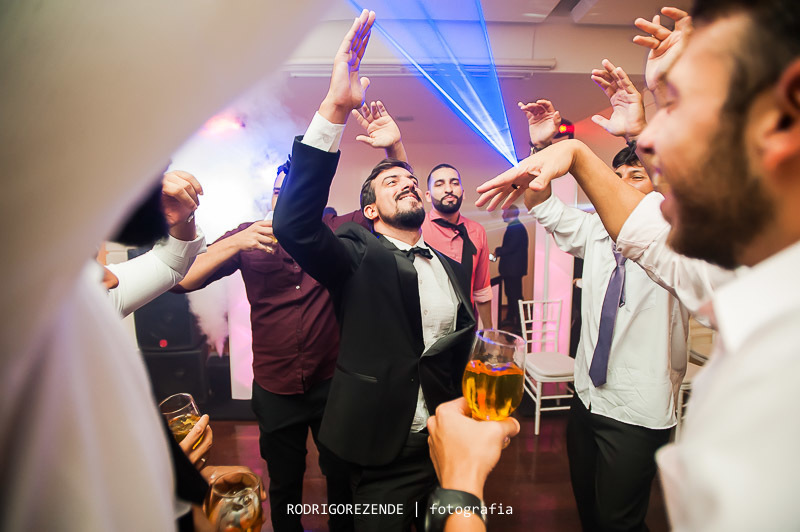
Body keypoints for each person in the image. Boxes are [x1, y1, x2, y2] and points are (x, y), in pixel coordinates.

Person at [476, 2, 800, 528]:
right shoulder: (752, 288)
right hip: (588, 394)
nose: (647, 141)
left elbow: (658, 235)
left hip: (640, 405)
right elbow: (645, 232)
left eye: (683, 103)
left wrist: (462, 496)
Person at [272, 10, 476, 531]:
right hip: (375, 453)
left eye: (411, 183)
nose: (407, 185)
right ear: (368, 212)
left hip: (445, 444)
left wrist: (396, 158)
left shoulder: (448, 262)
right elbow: (295, 226)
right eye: (391, 186)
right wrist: (336, 108)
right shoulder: (357, 250)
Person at [521, 94, 690, 531]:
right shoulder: (596, 229)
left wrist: (640, 134)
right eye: (616, 177)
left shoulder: (679, 237)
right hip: (587, 397)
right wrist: (542, 149)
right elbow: (540, 203)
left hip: (638, 410)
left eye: (637, 176)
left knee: (622, 522)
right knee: (591, 513)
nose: (621, 185)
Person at [175, 159, 361, 532]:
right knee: (285, 484)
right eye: (280, 191)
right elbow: (184, 279)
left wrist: (392, 146)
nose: (288, 199)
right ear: (271, 197)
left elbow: (388, 209)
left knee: (342, 479)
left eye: (298, 192)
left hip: (331, 385)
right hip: (276, 389)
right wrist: (236, 241)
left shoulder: (335, 229)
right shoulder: (247, 235)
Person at [420, 164, 493, 328]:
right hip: (426, 328)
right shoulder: (416, 228)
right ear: (428, 195)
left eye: (454, 183)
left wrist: (489, 334)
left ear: (463, 193)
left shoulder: (477, 231)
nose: (448, 189)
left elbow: (481, 290)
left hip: (466, 327)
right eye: (439, 184)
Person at [493, 204, 528, 332]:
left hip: (513, 270)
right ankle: (511, 318)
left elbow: (510, 247)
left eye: (504, 212)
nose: (503, 215)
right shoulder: (515, 226)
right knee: (511, 295)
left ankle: (519, 325)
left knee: (515, 296)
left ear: (510, 213)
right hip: (512, 270)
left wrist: (497, 251)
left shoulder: (516, 228)